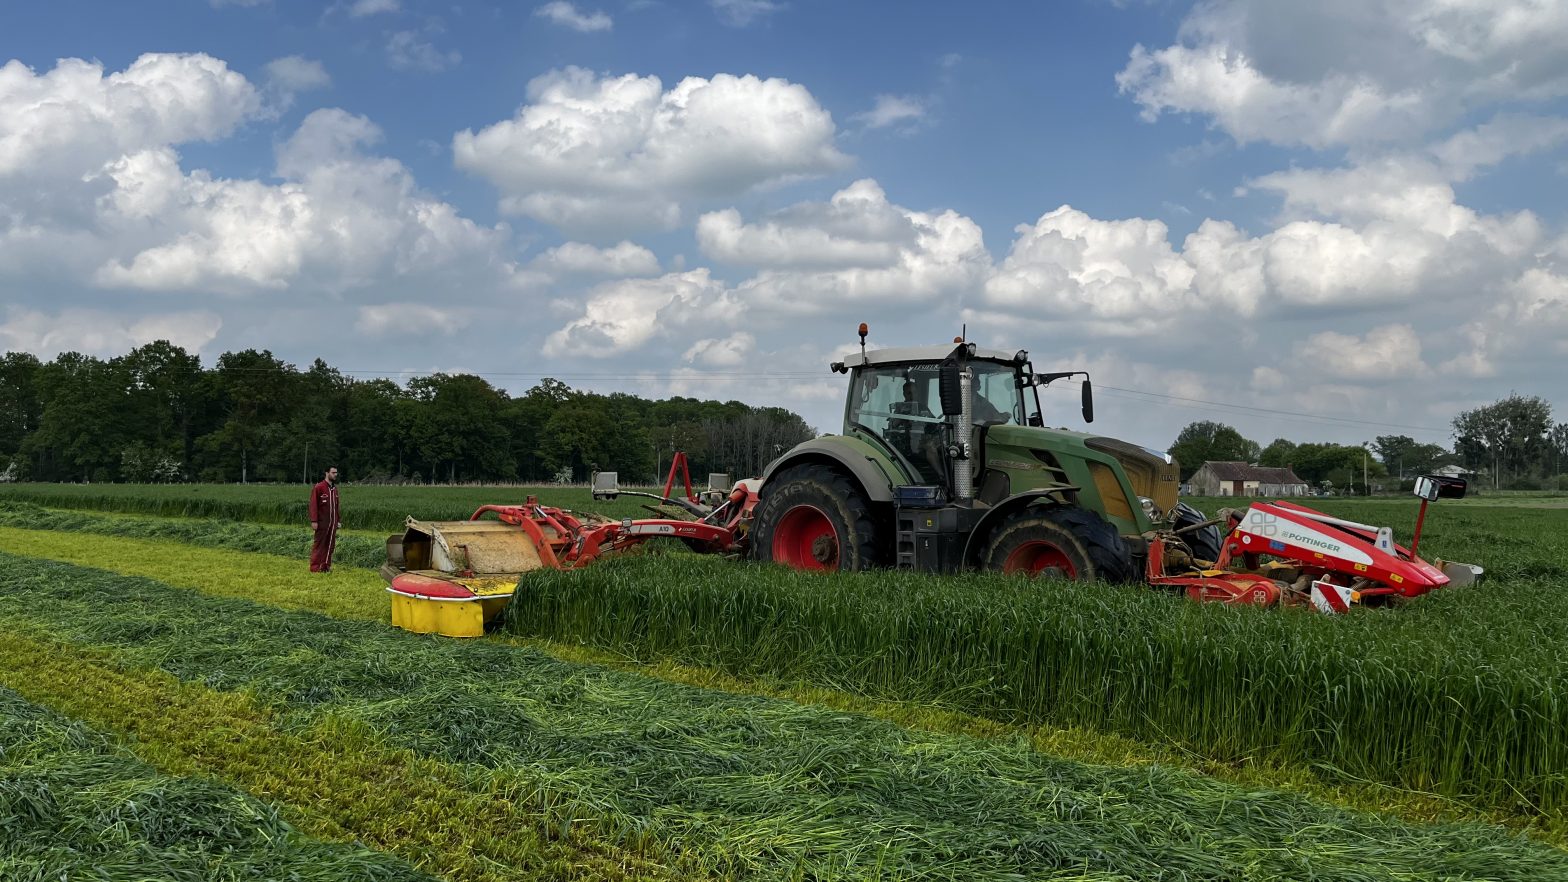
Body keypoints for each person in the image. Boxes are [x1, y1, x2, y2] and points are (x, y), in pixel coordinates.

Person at [309, 466, 341, 573]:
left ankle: (325, 566)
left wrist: (338, 520)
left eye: (336, 472)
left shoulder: (334, 489)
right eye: (333, 472)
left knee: (330, 545)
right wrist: (314, 521)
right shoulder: (319, 488)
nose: (335, 474)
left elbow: (336, 507)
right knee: (319, 544)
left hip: (332, 523)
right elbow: (313, 505)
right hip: (322, 523)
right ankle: (315, 567)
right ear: (327, 473)